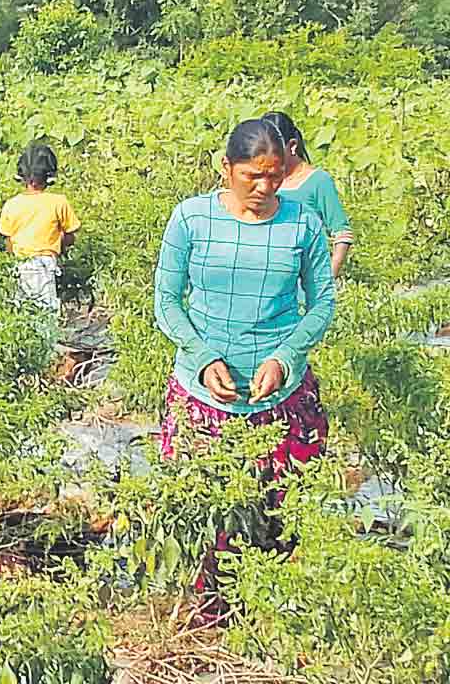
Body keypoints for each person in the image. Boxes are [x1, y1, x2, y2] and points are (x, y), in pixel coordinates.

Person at [153, 118, 337, 622]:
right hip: (204, 397)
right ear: (226, 167)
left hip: (280, 398)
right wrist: (202, 356)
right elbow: (166, 302)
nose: (264, 187)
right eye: (252, 175)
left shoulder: (302, 224)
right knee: (208, 516)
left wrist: (285, 357)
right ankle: (212, 619)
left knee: (281, 513)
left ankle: (265, 617)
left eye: (275, 176)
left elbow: (322, 303)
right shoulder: (191, 219)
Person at [261, 111, 353, 279]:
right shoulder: (261, 182)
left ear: (292, 146)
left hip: (305, 280)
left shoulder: (318, 181)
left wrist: (326, 280)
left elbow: (342, 233)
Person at [0, 142, 80, 311]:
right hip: (46, 265)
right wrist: (61, 245)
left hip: (21, 265)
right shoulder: (58, 202)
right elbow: (70, 235)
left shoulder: (11, 204)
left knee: (23, 311)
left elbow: (9, 242)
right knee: (47, 311)